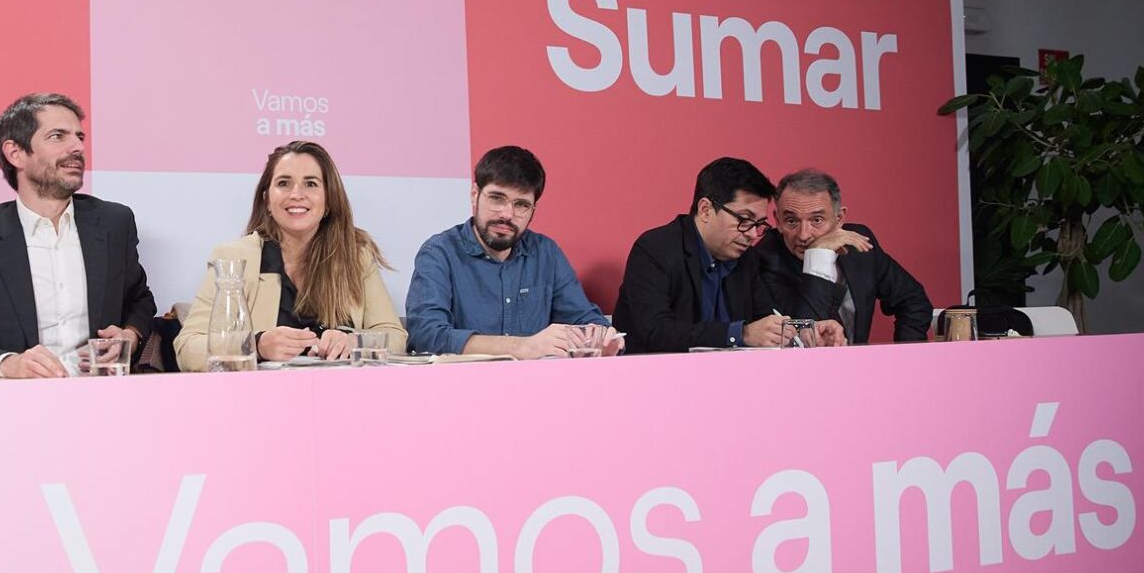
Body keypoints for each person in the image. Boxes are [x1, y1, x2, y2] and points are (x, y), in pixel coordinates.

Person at [0, 93, 155, 377]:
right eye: (58, 136)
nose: (77, 147)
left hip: (102, 391)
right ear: (16, 153)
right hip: (17, 397)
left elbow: (139, 300)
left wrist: (130, 335)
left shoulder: (114, 223)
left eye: (79, 137)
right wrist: (7, 364)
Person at [175, 141, 407, 370]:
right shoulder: (234, 257)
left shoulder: (356, 255)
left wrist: (354, 342)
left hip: (343, 390)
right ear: (267, 199)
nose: (296, 194)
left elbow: (395, 337)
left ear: (329, 200)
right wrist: (256, 345)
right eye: (284, 183)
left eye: (310, 183)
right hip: (262, 392)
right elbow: (188, 348)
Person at [406, 146, 618, 358]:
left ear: (533, 210)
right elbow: (426, 336)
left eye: (521, 204)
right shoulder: (439, 252)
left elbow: (583, 318)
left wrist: (601, 337)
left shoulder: (546, 253)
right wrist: (522, 347)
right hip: (465, 378)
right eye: (497, 198)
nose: (507, 214)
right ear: (474, 195)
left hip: (538, 379)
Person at [613, 157, 842, 353]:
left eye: (759, 224)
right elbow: (655, 331)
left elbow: (767, 319)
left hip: (730, 379)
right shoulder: (656, 249)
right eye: (744, 220)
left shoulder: (746, 259)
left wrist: (804, 333)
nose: (753, 234)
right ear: (705, 210)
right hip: (656, 378)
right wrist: (740, 334)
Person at [754, 168, 932, 344]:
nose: (803, 235)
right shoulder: (763, 261)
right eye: (791, 221)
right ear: (778, 221)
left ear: (839, 218)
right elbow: (804, 340)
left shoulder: (858, 243)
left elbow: (914, 301)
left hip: (859, 361)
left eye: (817, 220)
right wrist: (818, 256)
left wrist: (906, 353)